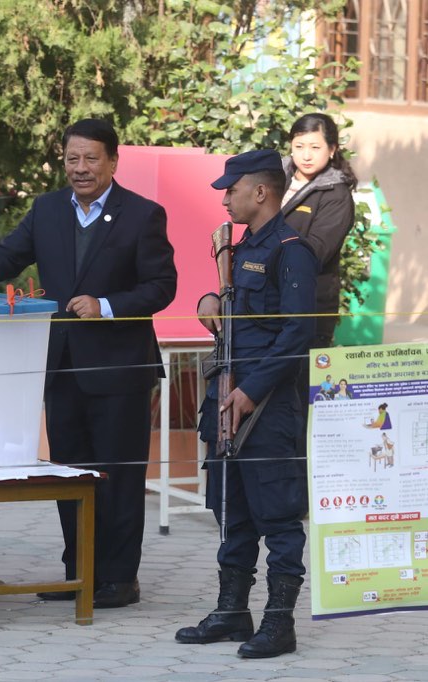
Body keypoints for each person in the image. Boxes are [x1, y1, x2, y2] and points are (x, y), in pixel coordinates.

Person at [0, 118, 177, 609]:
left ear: (113, 161)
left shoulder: (142, 215)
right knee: (71, 475)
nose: (81, 168)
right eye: (72, 158)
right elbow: (12, 252)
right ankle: (78, 574)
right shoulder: (48, 209)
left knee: (117, 477)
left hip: (119, 370)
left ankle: (119, 580)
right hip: (61, 367)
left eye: (91, 158)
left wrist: (106, 305)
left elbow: (162, 286)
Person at [174, 150, 317, 658]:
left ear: (260, 192)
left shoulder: (291, 250)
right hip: (225, 394)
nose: (225, 199)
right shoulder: (241, 247)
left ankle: (279, 623)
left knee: (277, 515)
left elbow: (297, 333)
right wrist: (208, 301)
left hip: (267, 403)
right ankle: (232, 611)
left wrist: (251, 391)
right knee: (230, 509)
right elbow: (234, 305)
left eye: (231, 190)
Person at [283, 114, 358, 448]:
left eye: (315, 147)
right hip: (267, 307)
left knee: (298, 402)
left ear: (332, 149)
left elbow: (314, 252)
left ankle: (299, 474)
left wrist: (266, 257)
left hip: (308, 310)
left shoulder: (336, 194)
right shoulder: (273, 179)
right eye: (299, 146)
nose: (306, 155)